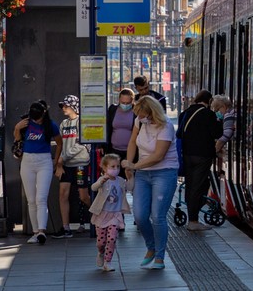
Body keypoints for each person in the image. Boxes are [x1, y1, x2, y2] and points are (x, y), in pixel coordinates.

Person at [123, 95, 179, 270]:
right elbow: (132, 141)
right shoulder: (139, 121)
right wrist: (129, 162)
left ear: (152, 112)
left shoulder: (166, 126)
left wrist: (134, 165)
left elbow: (158, 156)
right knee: (139, 216)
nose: (139, 118)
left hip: (164, 172)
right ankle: (151, 246)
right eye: (138, 115)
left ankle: (160, 257)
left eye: (142, 114)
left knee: (157, 216)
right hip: (143, 174)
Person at [14, 100, 61, 244]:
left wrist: (56, 161)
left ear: (44, 114)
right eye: (33, 117)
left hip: (44, 161)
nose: (35, 120)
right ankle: (35, 232)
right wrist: (17, 128)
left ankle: (41, 231)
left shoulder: (51, 125)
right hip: (27, 161)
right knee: (31, 200)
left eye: (38, 117)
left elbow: (60, 143)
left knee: (41, 198)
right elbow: (17, 141)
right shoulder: (25, 123)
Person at [177, 90, 222, 232]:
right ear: (208, 101)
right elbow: (217, 133)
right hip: (202, 155)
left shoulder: (185, 113)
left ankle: (192, 217)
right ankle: (193, 221)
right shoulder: (209, 114)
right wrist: (219, 119)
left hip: (187, 154)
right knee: (198, 186)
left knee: (191, 185)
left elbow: (179, 133)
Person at [55, 95, 93, 238]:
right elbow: (61, 143)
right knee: (63, 194)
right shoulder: (63, 124)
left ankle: (100, 215)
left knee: (84, 196)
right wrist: (60, 160)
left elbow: (82, 143)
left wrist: (63, 157)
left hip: (80, 163)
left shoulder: (82, 122)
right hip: (66, 164)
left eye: (66, 106)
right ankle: (66, 228)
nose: (63, 108)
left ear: (74, 107)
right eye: (63, 106)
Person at [89, 153, 130, 272]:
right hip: (102, 214)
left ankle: (108, 261)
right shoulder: (103, 180)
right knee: (101, 242)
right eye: (112, 167)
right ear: (105, 168)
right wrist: (100, 181)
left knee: (111, 238)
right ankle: (101, 252)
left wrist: (131, 177)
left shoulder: (121, 181)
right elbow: (93, 188)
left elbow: (130, 187)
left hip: (115, 214)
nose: (115, 169)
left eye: (117, 167)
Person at [106, 88, 137, 160]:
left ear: (132, 101)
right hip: (113, 150)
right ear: (119, 100)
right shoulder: (113, 109)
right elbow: (108, 128)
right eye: (123, 103)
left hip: (130, 151)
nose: (125, 105)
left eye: (128, 103)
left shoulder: (136, 112)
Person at [212, 94, 237, 169]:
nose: (217, 112)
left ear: (223, 106)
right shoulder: (232, 112)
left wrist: (214, 150)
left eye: (217, 109)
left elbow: (226, 135)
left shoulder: (228, 114)